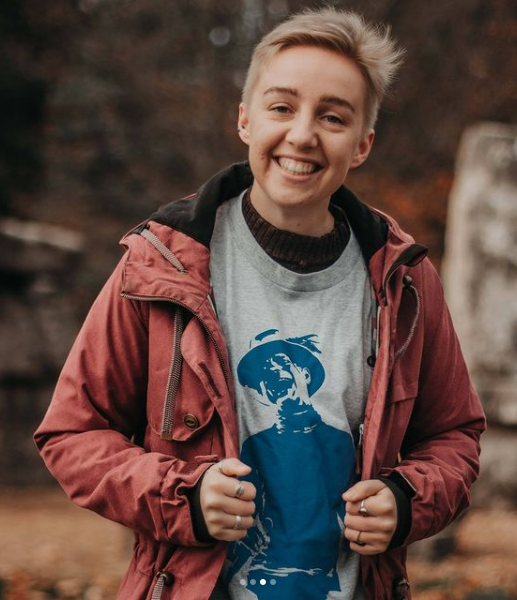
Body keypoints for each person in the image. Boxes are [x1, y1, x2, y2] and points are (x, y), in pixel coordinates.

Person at [34, 7, 486, 600]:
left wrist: (406, 500)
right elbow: (72, 433)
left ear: (363, 144)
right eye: (281, 107)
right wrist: (185, 498)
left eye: (332, 116)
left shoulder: (406, 281)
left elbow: (454, 435)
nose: (302, 134)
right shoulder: (159, 266)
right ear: (245, 119)